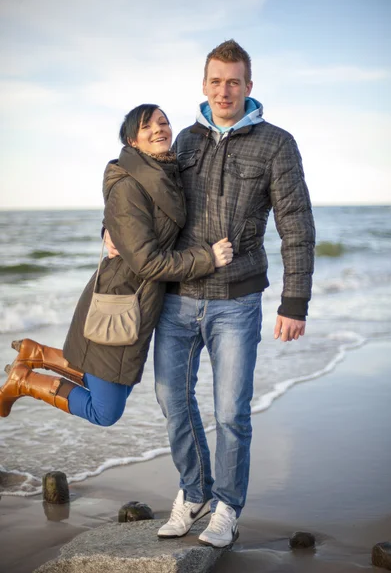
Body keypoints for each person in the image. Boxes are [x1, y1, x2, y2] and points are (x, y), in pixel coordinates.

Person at [138, 40, 315, 548]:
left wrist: (294, 301)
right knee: (172, 398)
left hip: (236, 302)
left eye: (234, 81)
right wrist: (112, 231)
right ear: (204, 85)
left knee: (231, 411)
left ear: (249, 87)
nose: (224, 90)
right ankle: (194, 491)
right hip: (176, 296)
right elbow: (140, 190)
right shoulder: (184, 141)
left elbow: (296, 225)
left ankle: (227, 508)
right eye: (215, 81)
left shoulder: (277, 144)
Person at [0, 104, 233, 424]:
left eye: (163, 123)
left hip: (140, 303)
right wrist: (208, 258)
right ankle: (25, 380)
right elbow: (146, 260)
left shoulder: (167, 174)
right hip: (118, 300)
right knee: (105, 410)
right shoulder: (130, 183)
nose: (158, 130)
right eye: (146, 127)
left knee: (112, 391)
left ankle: (38, 354)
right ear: (132, 141)